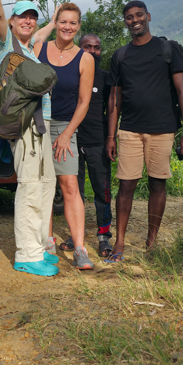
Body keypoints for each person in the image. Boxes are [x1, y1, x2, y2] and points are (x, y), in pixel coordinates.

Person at [0, 0, 59, 277]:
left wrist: (57, 19)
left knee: (45, 185)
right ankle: (27, 254)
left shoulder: (31, 49)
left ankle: (40, 244)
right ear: (11, 23)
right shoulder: (6, 45)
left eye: (32, 16)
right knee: (29, 185)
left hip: (41, 127)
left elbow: (43, 31)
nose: (27, 20)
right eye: (21, 16)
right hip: (24, 128)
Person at [105, 0, 183, 263]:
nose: (135, 20)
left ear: (149, 17)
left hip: (162, 129)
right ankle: (119, 242)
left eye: (139, 15)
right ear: (125, 22)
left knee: (157, 184)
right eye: (129, 17)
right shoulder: (120, 56)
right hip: (130, 130)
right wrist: (111, 136)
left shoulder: (168, 50)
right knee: (126, 185)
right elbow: (115, 101)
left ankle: (151, 242)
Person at [31, 3, 96, 270]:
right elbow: (34, 38)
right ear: (56, 23)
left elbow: (83, 102)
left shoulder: (85, 59)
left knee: (69, 185)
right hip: (36, 123)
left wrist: (67, 134)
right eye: (63, 22)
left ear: (79, 26)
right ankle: (47, 243)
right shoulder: (40, 49)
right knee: (43, 186)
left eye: (72, 23)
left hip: (64, 127)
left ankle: (80, 248)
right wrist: (51, 19)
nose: (67, 27)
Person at [76, 34, 114, 258]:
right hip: (71, 142)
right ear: (79, 49)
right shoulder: (70, 76)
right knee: (74, 192)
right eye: (87, 47)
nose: (92, 51)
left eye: (97, 48)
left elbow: (112, 110)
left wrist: (111, 137)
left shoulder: (106, 78)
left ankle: (104, 236)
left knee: (103, 191)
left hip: (98, 142)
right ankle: (76, 235)